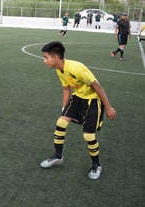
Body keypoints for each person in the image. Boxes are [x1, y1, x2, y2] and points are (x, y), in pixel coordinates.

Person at [40, 41, 117, 180]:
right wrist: (64, 110)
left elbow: (98, 87)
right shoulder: (59, 69)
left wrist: (109, 107)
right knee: (60, 123)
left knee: (88, 136)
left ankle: (96, 165)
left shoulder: (77, 68)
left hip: (93, 101)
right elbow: (66, 88)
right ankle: (58, 157)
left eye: (46, 57)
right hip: (77, 99)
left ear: (56, 58)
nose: (44, 60)